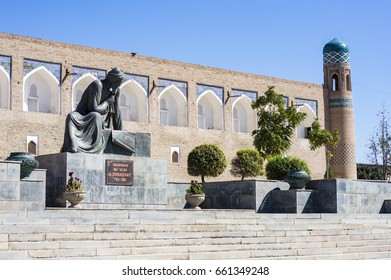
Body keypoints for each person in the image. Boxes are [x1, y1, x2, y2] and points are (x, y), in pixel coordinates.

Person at [61, 67, 125, 153]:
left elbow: (116, 111)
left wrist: (120, 131)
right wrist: (107, 103)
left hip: (95, 118)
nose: (119, 85)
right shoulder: (98, 85)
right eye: (118, 82)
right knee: (71, 116)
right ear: (112, 79)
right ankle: (73, 147)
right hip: (82, 115)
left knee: (96, 116)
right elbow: (92, 108)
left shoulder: (116, 90)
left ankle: (92, 148)